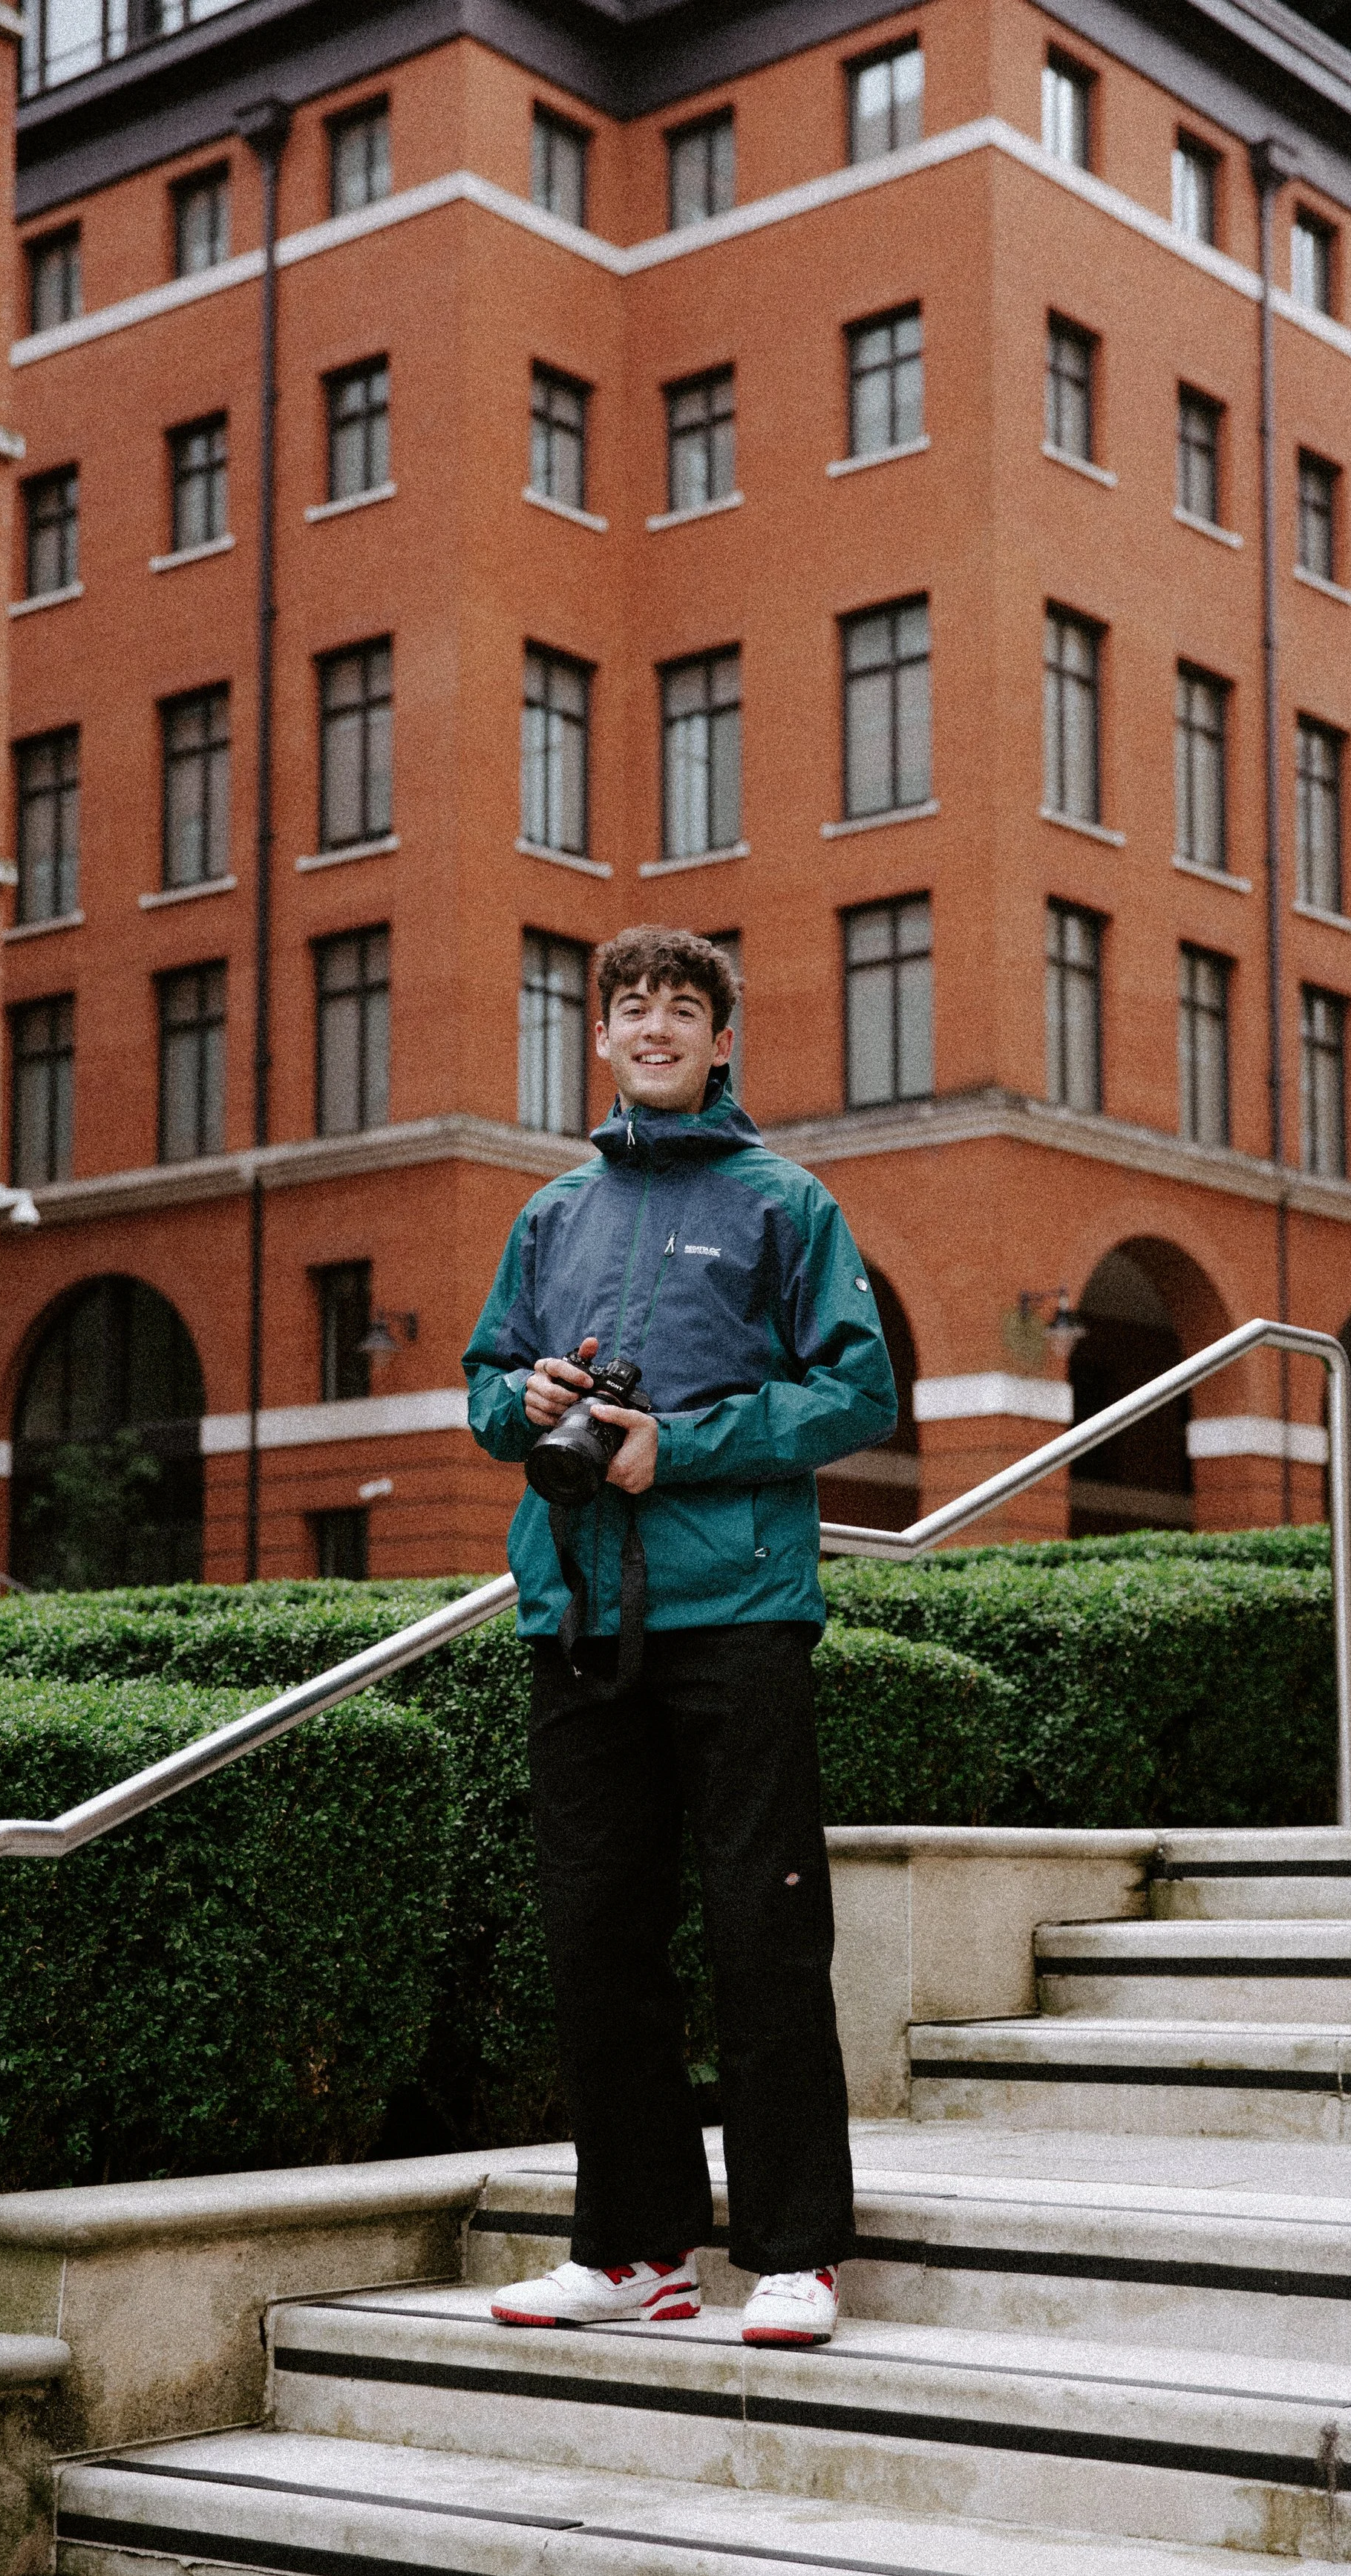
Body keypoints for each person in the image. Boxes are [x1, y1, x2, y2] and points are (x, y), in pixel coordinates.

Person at [462, 925, 899, 2347]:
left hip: (742, 1616)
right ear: (600, 1037)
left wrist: (685, 1446)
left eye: (682, 1008)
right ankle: (636, 2247)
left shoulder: (787, 1203)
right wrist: (522, 1403)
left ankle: (795, 2252)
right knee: (596, 1936)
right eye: (629, 1006)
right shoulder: (550, 1216)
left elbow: (856, 1392)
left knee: (764, 1931)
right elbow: (479, 1390)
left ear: (723, 1040)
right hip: (579, 1614)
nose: (653, 1026)